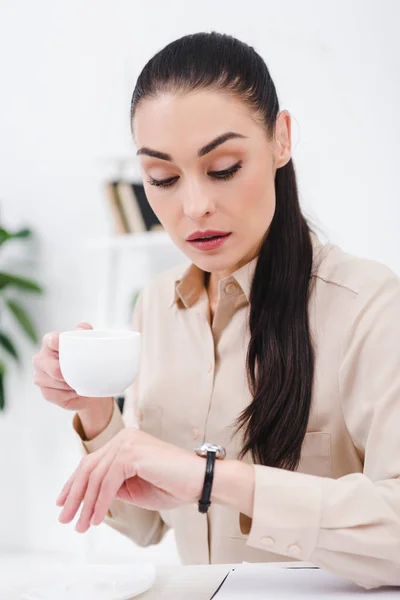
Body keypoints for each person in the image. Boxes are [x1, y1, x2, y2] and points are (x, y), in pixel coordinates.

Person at [32, 32, 400, 590]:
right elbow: (143, 523)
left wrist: (212, 478)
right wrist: (98, 414)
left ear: (281, 140)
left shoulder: (369, 306)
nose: (195, 205)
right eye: (162, 179)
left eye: (224, 166)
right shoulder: (155, 306)